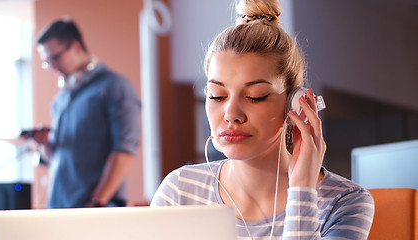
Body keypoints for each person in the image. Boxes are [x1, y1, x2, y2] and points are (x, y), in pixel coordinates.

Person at [150, 0, 374, 239]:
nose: (231, 115)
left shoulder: (344, 203)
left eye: (255, 97)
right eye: (217, 96)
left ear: (294, 102)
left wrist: (302, 191)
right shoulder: (179, 191)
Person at [33, 19, 141, 208]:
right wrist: (45, 144)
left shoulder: (114, 87)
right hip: (59, 208)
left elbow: (124, 151)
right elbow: (59, 158)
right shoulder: (60, 100)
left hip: (94, 209)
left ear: (75, 47)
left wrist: (96, 202)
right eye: (47, 62)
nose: (51, 67)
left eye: (55, 58)